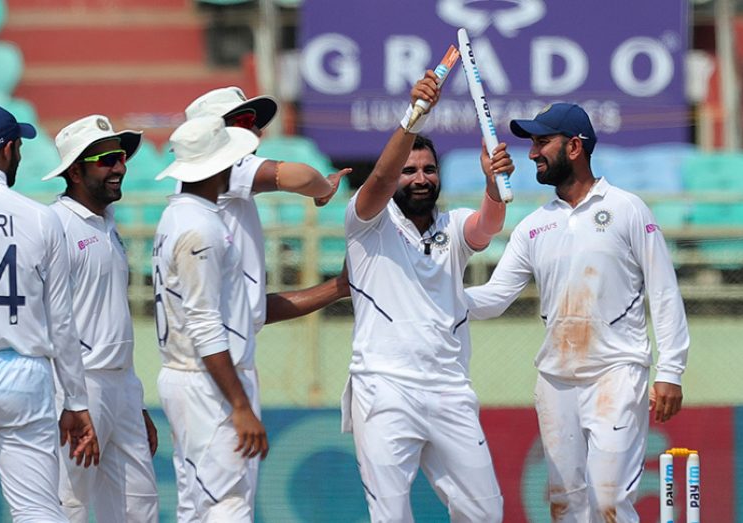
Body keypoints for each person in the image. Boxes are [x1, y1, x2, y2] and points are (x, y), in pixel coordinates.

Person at [464, 103, 690, 521]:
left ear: (573, 146)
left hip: (617, 373)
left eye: (541, 142)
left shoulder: (627, 209)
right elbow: (495, 296)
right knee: (566, 505)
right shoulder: (534, 226)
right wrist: (433, 295)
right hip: (556, 381)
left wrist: (671, 371)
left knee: (608, 501)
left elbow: (663, 291)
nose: (531, 153)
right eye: (531, 143)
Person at [342, 71, 514, 522]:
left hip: (449, 390)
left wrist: (493, 184)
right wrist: (413, 117)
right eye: (410, 170)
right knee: (391, 516)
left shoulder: (452, 225)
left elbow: (487, 227)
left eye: (429, 170)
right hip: (384, 388)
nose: (420, 179)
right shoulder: (367, 222)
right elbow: (380, 176)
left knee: (485, 513)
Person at [178, 86, 352, 517]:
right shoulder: (226, 172)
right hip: (216, 371)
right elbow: (298, 175)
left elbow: (254, 309)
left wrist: (335, 288)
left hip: (213, 365)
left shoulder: (219, 197)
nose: (252, 130)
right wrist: (321, 193)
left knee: (202, 506)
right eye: (240, 122)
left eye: (254, 122)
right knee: (229, 504)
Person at [0, 104, 99, 522]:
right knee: (37, 510)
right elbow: (62, 322)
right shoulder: (41, 218)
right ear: (10, 150)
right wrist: (76, 400)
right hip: (23, 374)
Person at [41, 115, 159, 522]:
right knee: (69, 505)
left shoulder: (109, 223)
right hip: (77, 388)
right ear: (75, 171)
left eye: (121, 157)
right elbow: (51, 321)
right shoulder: (54, 225)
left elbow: (110, 319)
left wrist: (135, 400)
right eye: (107, 159)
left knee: (139, 508)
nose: (120, 168)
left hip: (121, 384)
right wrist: (72, 400)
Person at [152, 115, 267, 522]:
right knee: (228, 502)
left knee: (196, 504)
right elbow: (204, 324)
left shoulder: (178, 216)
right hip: (208, 383)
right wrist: (239, 404)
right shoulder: (201, 227)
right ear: (219, 165)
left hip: (190, 377)